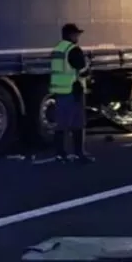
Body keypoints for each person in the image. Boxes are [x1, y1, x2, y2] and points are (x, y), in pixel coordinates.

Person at [48, 23, 94, 163]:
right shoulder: (73, 50)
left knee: (61, 124)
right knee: (77, 124)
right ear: (70, 35)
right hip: (73, 91)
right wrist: (89, 65)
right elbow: (82, 70)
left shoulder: (57, 49)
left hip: (59, 91)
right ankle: (79, 153)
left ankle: (60, 153)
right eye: (76, 34)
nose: (78, 37)